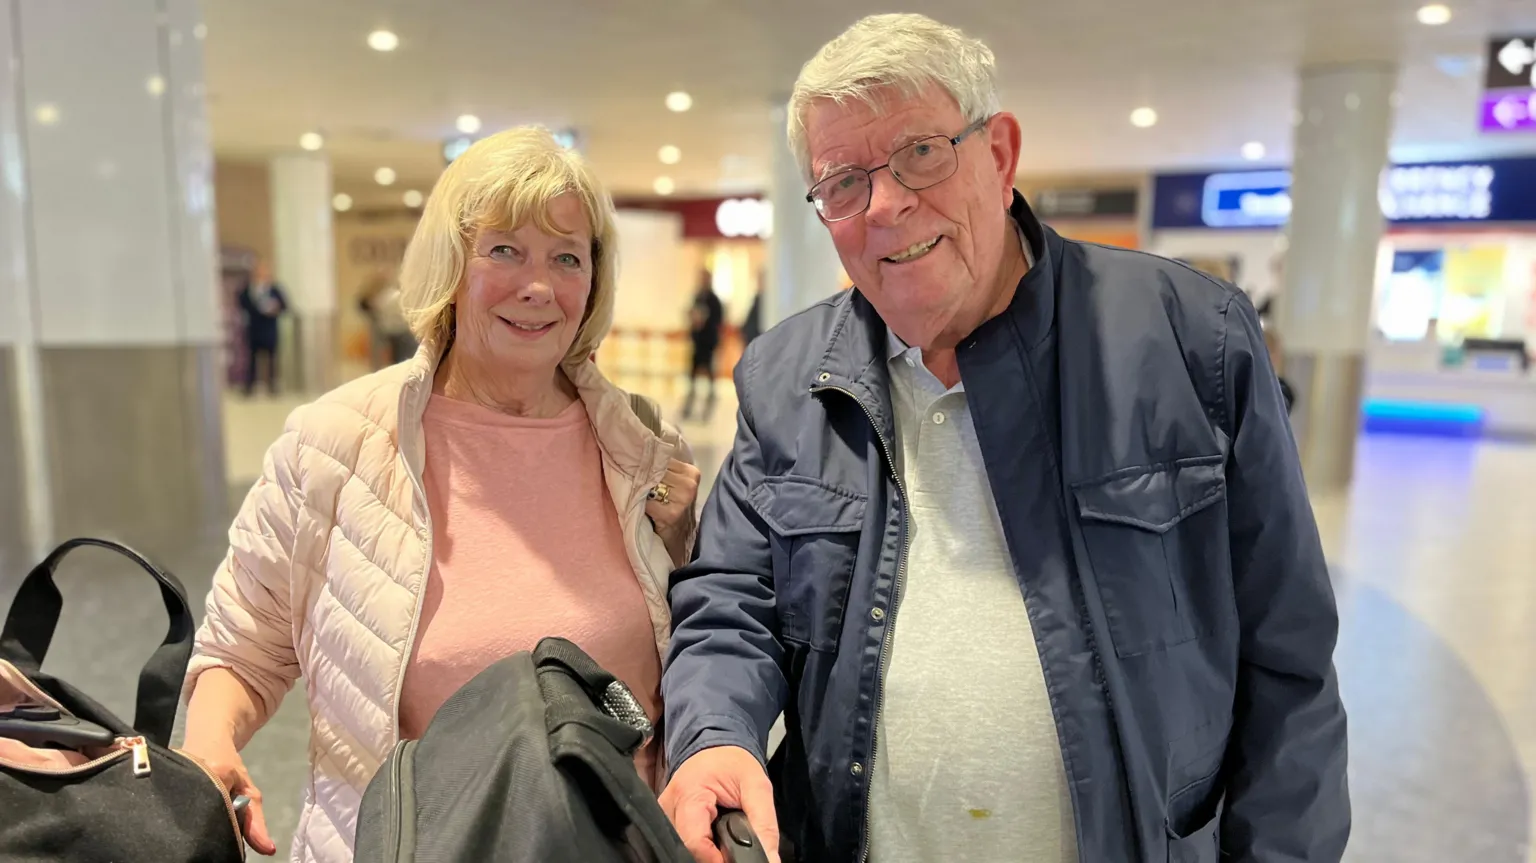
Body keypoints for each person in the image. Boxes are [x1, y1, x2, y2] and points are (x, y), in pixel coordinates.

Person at [660, 13, 1348, 863]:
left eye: (921, 152)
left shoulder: (1190, 341)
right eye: (842, 183)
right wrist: (716, 730)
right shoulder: (786, 375)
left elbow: (1289, 666)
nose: (886, 205)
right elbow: (731, 596)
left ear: (1000, 153)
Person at [180, 127, 702, 863]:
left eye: (566, 258)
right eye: (504, 250)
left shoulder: (643, 448)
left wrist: (692, 546)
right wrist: (210, 742)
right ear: (450, 266)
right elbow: (242, 645)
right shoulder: (335, 443)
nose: (538, 286)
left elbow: (703, 653)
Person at [238, 262, 287, 396]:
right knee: (252, 359)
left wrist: (275, 308)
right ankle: (250, 386)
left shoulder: (274, 290)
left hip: (269, 329)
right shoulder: (249, 289)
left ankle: (272, 385)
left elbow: (285, 305)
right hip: (254, 329)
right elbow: (241, 303)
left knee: (272, 359)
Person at [681, 271, 724, 420]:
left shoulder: (714, 300)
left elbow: (718, 322)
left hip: (708, 343)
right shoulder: (698, 297)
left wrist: (705, 321)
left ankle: (708, 407)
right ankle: (688, 407)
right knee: (692, 375)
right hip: (697, 343)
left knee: (710, 376)